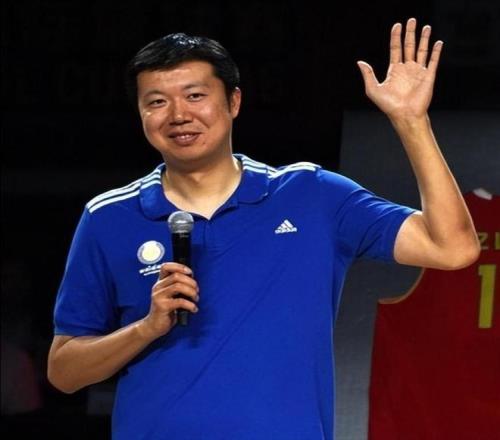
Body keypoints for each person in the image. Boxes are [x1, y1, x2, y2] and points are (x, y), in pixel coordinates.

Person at [47, 18, 479, 440]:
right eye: (156, 102)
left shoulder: (311, 195)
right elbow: (64, 372)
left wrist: (411, 122)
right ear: (141, 113)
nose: (178, 114)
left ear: (233, 102)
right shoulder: (108, 217)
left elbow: (452, 248)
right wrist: (146, 327)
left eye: (195, 95)